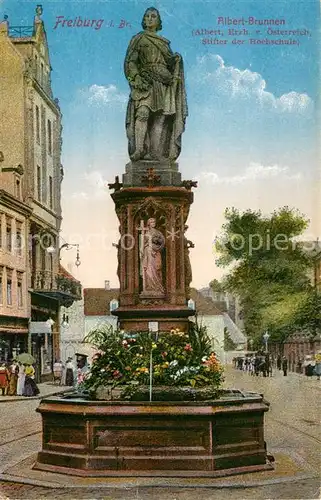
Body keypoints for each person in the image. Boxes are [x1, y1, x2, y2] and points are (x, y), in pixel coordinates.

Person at [124, 7, 188, 161]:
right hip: (145, 82)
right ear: (144, 20)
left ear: (159, 21)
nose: (150, 18)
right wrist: (136, 78)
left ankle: (155, 152)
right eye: (147, 16)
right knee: (143, 113)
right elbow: (130, 62)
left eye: (154, 16)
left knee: (160, 118)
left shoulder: (164, 43)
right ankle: (139, 150)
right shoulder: (139, 39)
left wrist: (176, 60)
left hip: (163, 83)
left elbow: (169, 63)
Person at [140, 218, 165, 295]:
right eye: (151, 222)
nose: (153, 223)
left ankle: (157, 287)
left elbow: (163, 242)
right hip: (148, 252)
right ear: (148, 223)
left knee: (156, 269)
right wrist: (143, 247)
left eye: (154, 221)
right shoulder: (146, 232)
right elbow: (143, 243)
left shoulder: (158, 232)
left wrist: (156, 246)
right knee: (148, 269)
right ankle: (149, 287)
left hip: (156, 253)